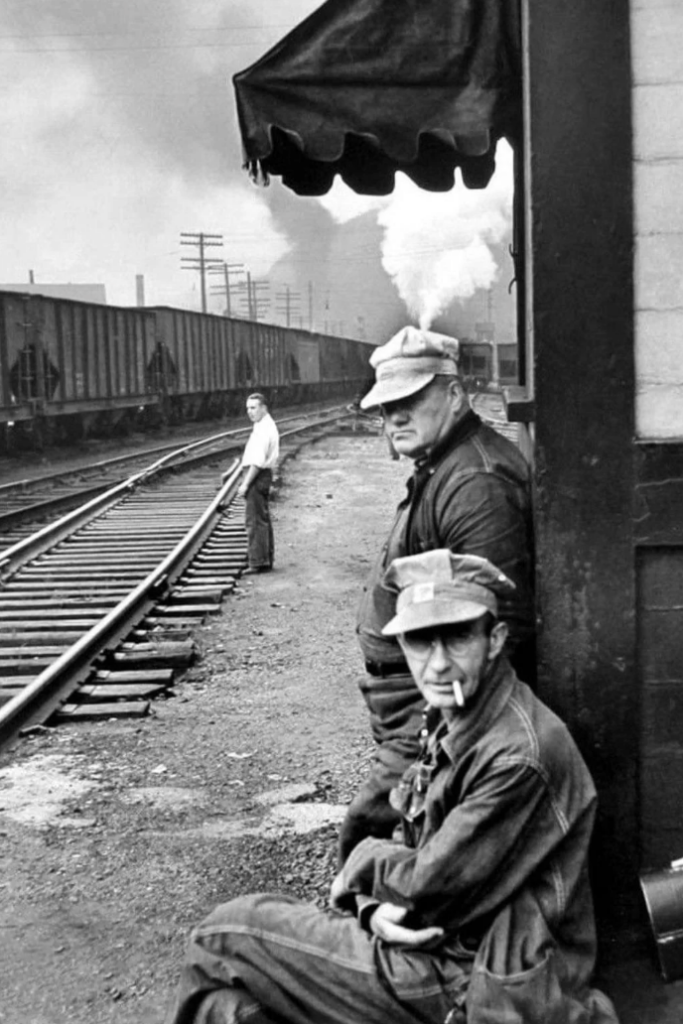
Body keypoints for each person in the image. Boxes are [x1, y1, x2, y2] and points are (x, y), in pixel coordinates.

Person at [166, 551, 619, 1024]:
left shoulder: (518, 753)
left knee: (220, 936)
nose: (439, 664)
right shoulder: (456, 716)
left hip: (481, 976)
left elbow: (428, 887)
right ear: (403, 646)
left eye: (459, 637)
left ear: (494, 640)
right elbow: (414, 858)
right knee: (229, 1009)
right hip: (442, 946)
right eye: (421, 642)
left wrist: (359, 866)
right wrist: (368, 907)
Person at [340, 325, 535, 862]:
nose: (394, 416)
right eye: (386, 406)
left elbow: (499, 631)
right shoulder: (446, 462)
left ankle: (367, 926)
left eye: (410, 399)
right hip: (411, 696)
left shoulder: (476, 483)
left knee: (368, 833)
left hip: (429, 700)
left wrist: (440, 735)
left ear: (453, 394)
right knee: (409, 833)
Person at [236, 392, 279, 575]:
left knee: (254, 520)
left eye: (253, 408)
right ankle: (265, 559)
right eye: (248, 408)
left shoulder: (263, 429)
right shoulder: (263, 425)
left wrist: (245, 484)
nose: (250, 412)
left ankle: (257, 563)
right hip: (262, 475)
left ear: (264, 408)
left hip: (257, 476)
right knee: (262, 519)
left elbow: (257, 462)